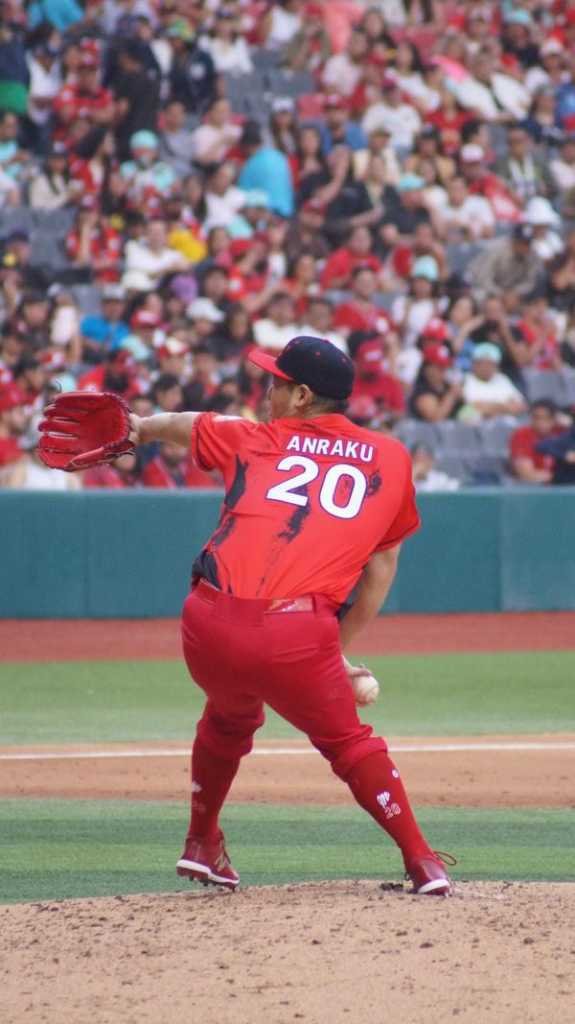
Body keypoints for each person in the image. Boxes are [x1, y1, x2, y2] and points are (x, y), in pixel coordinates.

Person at [127, 334, 453, 894]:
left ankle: (202, 841)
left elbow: (189, 422)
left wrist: (139, 428)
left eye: (276, 384)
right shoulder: (392, 458)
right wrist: (336, 645)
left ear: (302, 395)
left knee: (227, 719)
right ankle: (423, 861)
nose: (267, 392)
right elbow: (381, 568)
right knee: (349, 744)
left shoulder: (254, 439)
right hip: (295, 633)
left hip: (206, 626)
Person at [509, 400, 561, 485]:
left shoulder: (562, 431)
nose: (541, 422)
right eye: (536, 417)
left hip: (562, 488)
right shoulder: (522, 434)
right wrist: (560, 478)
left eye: (547, 418)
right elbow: (526, 473)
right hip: (532, 488)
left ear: (554, 419)